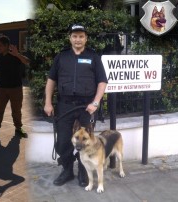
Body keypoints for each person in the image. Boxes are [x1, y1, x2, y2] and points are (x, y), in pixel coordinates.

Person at [44, 24, 107, 187]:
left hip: (86, 107)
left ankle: (83, 173)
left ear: (85, 38)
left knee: (85, 142)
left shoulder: (93, 56)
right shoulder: (61, 57)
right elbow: (51, 80)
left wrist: (95, 102)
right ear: (70, 38)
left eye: (81, 36)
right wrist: (48, 102)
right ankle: (67, 171)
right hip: (65, 106)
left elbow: (102, 81)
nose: (78, 39)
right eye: (75, 36)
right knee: (63, 141)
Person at [0, 36, 30, 138]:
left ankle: (18, 128)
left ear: (7, 45)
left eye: (0, 46)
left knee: (16, 110)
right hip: (1, 88)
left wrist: (17, 54)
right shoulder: (0, 56)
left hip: (15, 88)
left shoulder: (15, 54)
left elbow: (27, 61)